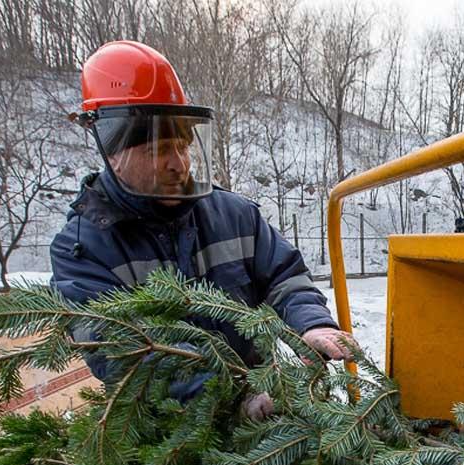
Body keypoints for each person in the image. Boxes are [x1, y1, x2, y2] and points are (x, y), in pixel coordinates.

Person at [50, 41, 356, 418]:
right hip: (168, 434)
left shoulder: (236, 215)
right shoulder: (83, 249)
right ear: (112, 153)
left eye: (182, 146)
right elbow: (121, 352)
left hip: (261, 405)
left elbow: (286, 278)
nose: (178, 164)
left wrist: (310, 325)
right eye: (159, 149)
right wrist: (230, 400)